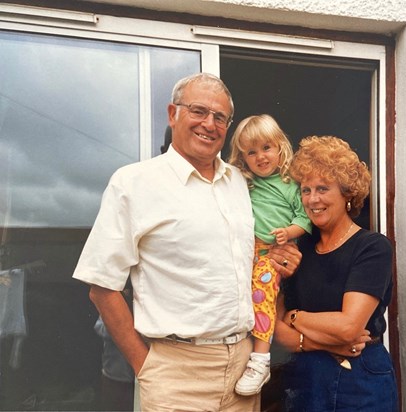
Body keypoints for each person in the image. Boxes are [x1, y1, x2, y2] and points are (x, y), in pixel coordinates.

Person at [72, 72, 301, 412]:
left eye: (220, 117)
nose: (209, 123)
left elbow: (258, 254)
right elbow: (101, 286)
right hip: (175, 373)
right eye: (198, 111)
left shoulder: (242, 183)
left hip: (243, 366)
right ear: (172, 113)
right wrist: (145, 366)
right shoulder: (134, 183)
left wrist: (285, 256)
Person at [275, 136, 398, 412]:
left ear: (347, 194)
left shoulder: (372, 247)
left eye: (322, 188)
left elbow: (349, 328)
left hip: (361, 377)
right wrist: (305, 339)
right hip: (306, 378)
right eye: (305, 190)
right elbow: (276, 329)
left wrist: (296, 318)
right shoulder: (299, 249)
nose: (312, 199)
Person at [228, 114, 312, 396]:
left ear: (280, 148)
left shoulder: (290, 185)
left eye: (266, 148)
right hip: (247, 252)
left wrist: (289, 232)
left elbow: (305, 219)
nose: (260, 157)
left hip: (274, 252)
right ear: (242, 157)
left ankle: (260, 360)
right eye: (251, 152)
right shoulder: (243, 182)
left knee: (262, 294)